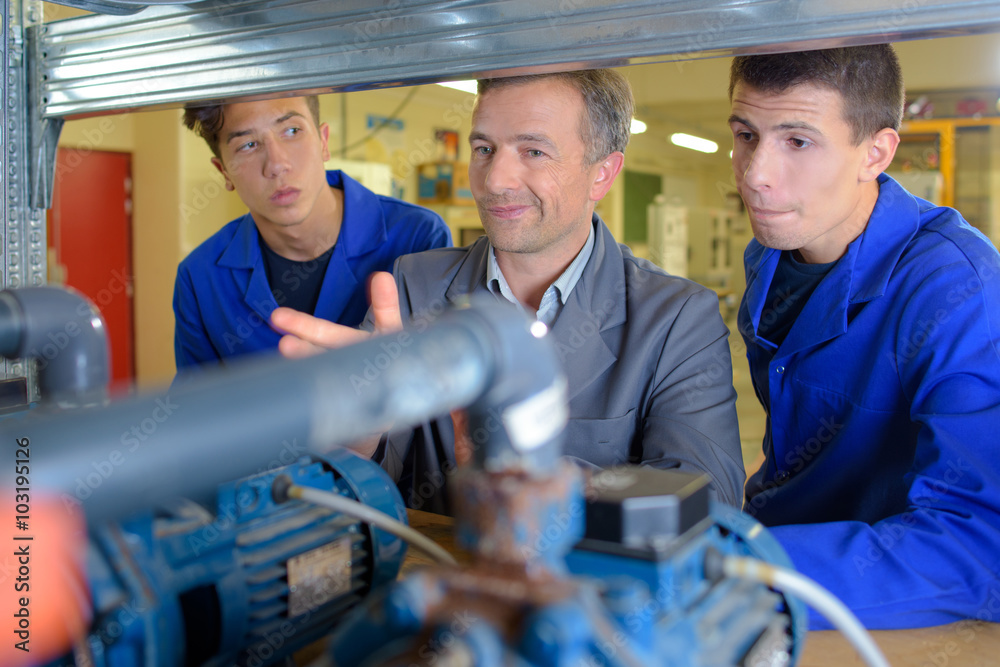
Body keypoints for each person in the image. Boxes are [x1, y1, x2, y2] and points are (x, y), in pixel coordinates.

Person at [274, 69, 746, 515]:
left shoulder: (677, 319)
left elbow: (707, 501)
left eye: (533, 152)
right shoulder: (412, 286)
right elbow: (361, 487)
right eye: (484, 148)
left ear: (602, 173)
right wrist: (357, 431)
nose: (495, 180)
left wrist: (522, 471)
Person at [730, 44, 1000, 630]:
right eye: (746, 135)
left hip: (874, 605)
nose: (754, 175)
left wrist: (735, 568)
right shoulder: (769, 256)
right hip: (772, 564)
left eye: (797, 142)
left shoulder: (959, 289)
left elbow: (979, 546)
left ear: (875, 153)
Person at [173, 95, 452, 370]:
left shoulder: (419, 237)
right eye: (248, 145)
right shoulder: (199, 277)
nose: (277, 165)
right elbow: (197, 398)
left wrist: (405, 372)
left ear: (323, 142)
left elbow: (452, 380)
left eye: (292, 131)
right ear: (224, 171)